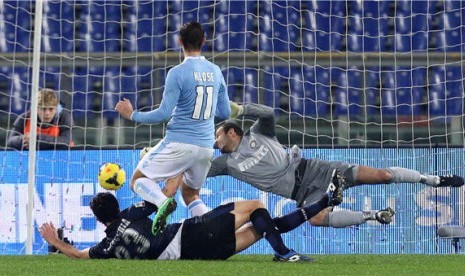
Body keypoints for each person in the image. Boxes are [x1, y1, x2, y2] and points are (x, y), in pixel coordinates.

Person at [207, 101, 464, 228]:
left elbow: (269, 113)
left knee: (384, 175)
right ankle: (373, 215)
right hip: (303, 193)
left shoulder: (258, 133)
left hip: (314, 168)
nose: (215, 142)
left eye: (217, 136)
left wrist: (240, 109)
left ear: (232, 132)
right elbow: (197, 172)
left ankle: (433, 179)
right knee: (316, 219)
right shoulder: (225, 164)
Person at [39, 176, 344, 262]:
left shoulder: (106, 248)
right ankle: (285, 253)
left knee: (262, 228)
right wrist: (170, 171)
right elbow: (165, 196)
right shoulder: (131, 214)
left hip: (201, 255)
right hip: (190, 233)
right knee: (255, 208)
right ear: (116, 207)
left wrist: (54, 242)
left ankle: (325, 201)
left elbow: (79, 254)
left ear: (97, 219)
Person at [115, 21, 231, 235]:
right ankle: (211, 234)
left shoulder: (177, 72)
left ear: (179, 42)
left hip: (179, 142)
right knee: (191, 193)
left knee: (138, 180)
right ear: (204, 41)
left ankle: (162, 203)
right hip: (206, 146)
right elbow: (225, 114)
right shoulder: (216, 71)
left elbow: (164, 113)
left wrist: (132, 114)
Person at [6, 88, 73, 150]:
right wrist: (23, 139)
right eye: (43, 109)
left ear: (56, 109)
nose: (47, 113)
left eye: (51, 109)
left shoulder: (64, 117)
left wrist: (37, 138)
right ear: (36, 109)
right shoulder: (25, 117)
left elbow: (66, 141)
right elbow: (10, 141)